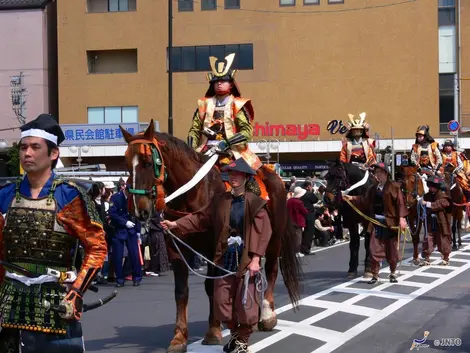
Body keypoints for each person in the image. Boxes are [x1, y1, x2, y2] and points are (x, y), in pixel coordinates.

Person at [0, 114, 107, 353]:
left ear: (53, 154)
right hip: (10, 300)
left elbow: (97, 247)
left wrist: (77, 291)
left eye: (35, 147)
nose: (27, 153)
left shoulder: (69, 196)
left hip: (55, 299)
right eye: (23, 147)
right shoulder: (5, 195)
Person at [161, 158, 272, 353]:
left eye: (237, 175)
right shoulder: (221, 201)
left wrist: (256, 259)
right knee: (222, 304)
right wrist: (176, 224)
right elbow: (200, 218)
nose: (233, 178)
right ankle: (235, 336)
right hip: (223, 260)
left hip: (246, 261)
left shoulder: (255, 203)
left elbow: (264, 232)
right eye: (231, 175)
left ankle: (241, 343)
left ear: (245, 177)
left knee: (245, 306)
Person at [187, 53, 262, 171]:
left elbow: (247, 131)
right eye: (216, 82)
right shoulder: (204, 104)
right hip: (205, 150)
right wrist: (190, 151)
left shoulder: (237, 105)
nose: (219, 84)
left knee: (251, 177)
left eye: (223, 81)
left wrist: (226, 143)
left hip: (232, 150)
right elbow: (195, 130)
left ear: (231, 84)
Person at [343, 163, 408, 284]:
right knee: (374, 249)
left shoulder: (394, 187)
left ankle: (393, 273)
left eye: (380, 173)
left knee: (392, 250)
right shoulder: (373, 188)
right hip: (376, 222)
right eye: (376, 173)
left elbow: (400, 203)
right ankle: (375, 274)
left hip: (390, 223)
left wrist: (402, 218)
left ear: (386, 174)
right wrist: (351, 198)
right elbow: (365, 200)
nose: (378, 175)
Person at [109, 185, 143, 287]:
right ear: (125, 190)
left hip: (131, 230)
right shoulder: (116, 197)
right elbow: (112, 213)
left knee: (134, 255)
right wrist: (124, 222)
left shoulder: (134, 199)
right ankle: (119, 279)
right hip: (119, 229)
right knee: (118, 256)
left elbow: (137, 214)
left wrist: (138, 231)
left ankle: (137, 278)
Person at [419, 176, 452, 266]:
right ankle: (426, 258)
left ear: (436, 186)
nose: (430, 188)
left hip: (441, 221)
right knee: (428, 238)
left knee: (442, 238)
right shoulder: (427, 195)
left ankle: (445, 258)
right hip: (430, 219)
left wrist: (428, 204)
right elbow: (423, 204)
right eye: (429, 186)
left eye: (432, 186)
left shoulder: (443, 195)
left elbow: (443, 203)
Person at [287, 187, 308, 257]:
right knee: (298, 237)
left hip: (289, 221)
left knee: (291, 237)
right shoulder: (299, 202)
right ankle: (297, 252)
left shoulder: (289, 200)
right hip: (297, 221)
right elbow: (305, 211)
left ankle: (290, 251)